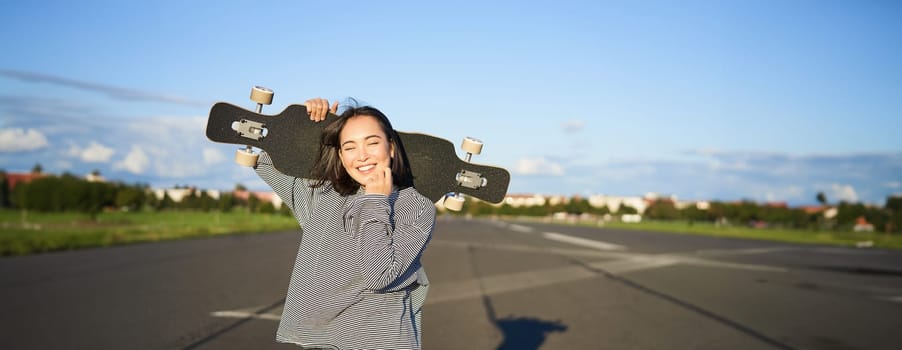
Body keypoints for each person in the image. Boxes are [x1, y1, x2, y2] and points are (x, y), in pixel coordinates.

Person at [254, 98, 436, 350]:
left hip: (380, 341)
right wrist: (309, 128)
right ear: (340, 154)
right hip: (321, 341)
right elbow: (265, 162)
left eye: (372, 143)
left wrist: (375, 200)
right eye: (349, 147)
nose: (362, 156)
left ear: (391, 148)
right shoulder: (323, 195)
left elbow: (379, 275)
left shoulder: (415, 206)